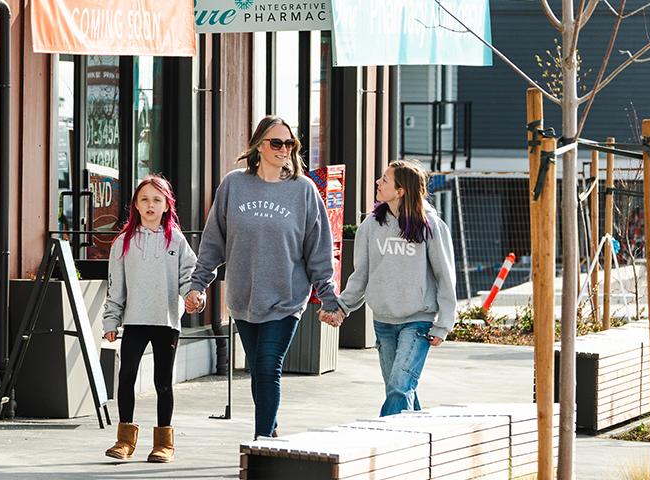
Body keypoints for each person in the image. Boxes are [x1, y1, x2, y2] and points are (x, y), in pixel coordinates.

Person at [186, 115, 344, 439]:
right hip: (244, 298)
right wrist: (198, 283)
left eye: (289, 143)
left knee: (269, 367)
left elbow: (318, 248)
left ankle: (260, 447)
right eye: (277, 142)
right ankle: (270, 433)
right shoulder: (234, 185)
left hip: (286, 298)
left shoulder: (303, 190)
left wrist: (328, 296)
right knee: (258, 373)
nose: (284, 149)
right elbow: (214, 239)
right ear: (259, 145)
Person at [325, 160, 458, 417]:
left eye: (385, 179)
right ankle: (419, 444)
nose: (378, 182)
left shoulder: (430, 226)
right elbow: (361, 274)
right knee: (400, 388)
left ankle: (382, 445)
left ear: (401, 190)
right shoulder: (371, 226)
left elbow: (445, 276)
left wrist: (444, 323)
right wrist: (343, 306)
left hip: (418, 322)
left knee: (399, 387)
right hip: (383, 322)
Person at [99, 175, 196, 463]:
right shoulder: (123, 243)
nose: (150, 204)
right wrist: (110, 322)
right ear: (136, 206)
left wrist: (193, 296)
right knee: (126, 375)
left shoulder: (176, 241)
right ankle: (124, 440)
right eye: (144, 199)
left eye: (157, 199)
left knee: (162, 381)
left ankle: (164, 443)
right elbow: (116, 287)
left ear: (167, 205)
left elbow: (189, 279)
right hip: (135, 320)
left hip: (166, 321)